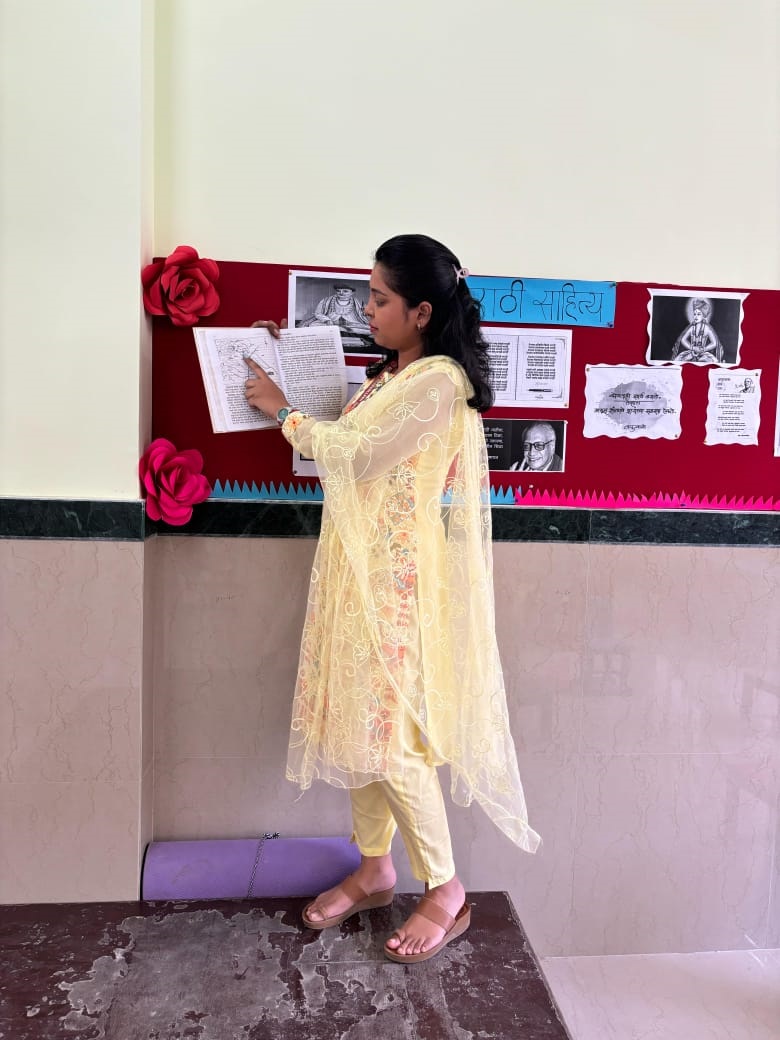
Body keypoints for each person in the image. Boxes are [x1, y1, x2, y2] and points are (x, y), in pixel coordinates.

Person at [244, 234, 540, 964]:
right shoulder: (391, 376)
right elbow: (350, 430)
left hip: (399, 589)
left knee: (395, 740)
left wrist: (283, 413)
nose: (367, 310)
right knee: (358, 729)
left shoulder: (438, 383)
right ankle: (376, 869)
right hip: (358, 580)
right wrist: (286, 359)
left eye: (380, 299)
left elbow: (357, 454)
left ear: (422, 311)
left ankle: (446, 887)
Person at [300, 284, 370, 335]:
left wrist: (365, 312)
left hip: (351, 324)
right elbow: (318, 313)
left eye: (345, 291)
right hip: (330, 323)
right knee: (313, 325)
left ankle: (342, 329)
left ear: (352, 293)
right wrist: (327, 320)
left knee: (369, 329)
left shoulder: (358, 302)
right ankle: (342, 329)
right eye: (338, 291)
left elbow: (364, 314)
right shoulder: (326, 300)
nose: (341, 293)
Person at [671, 298, 724, 363]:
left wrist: (704, 349)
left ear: (704, 316)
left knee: (713, 361)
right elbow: (683, 340)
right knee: (677, 360)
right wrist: (692, 348)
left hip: (703, 354)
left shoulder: (706, 328)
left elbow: (714, 343)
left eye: (699, 314)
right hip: (691, 352)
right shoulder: (692, 328)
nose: (696, 316)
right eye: (694, 314)